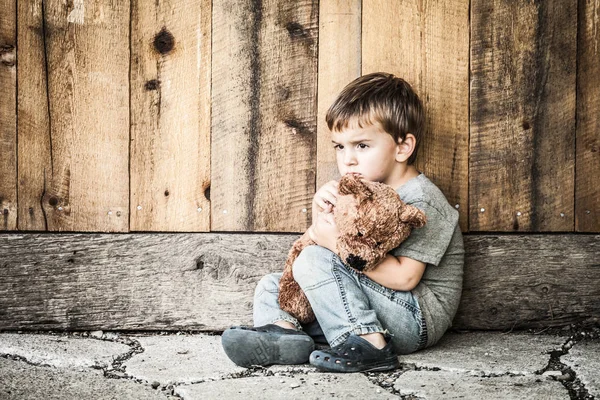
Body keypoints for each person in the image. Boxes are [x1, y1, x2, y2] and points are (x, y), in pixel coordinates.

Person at [221, 72, 464, 373]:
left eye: (361, 146)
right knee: (274, 284)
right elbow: (321, 247)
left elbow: (405, 279)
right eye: (340, 147)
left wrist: (331, 241)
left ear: (403, 147)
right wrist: (321, 216)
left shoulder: (422, 200)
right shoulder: (357, 192)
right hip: (373, 304)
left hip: (416, 318)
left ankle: (370, 344)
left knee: (313, 260)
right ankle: (284, 334)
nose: (347, 159)